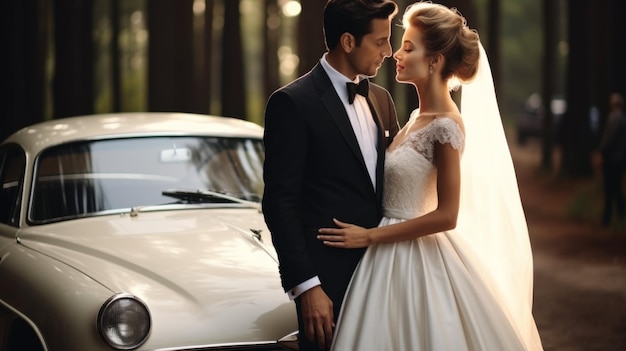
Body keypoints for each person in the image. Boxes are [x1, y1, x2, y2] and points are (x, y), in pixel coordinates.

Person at [317, 2, 544, 350]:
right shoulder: (413, 119)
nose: (395, 54)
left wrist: (370, 237)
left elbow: (447, 215)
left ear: (435, 61)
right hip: (382, 257)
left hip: (415, 258)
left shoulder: (446, 126)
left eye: (409, 48)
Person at [261, 1, 400, 350]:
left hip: (388, 274)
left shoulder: (382, 100)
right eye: (380, 41)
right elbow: (280, 203)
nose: (389, 51)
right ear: (349, 42)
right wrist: (307, 287)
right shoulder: (292, 103)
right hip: (329, 285)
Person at [599, 92, 626, 226]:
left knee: (612, 188)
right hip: (618, 159)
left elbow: (609, 139)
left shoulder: (615, 118)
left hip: (613, 160)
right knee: (615, 188)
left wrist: (603, 152)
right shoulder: (620, 118)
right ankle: (614, 215)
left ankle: (609, 217)